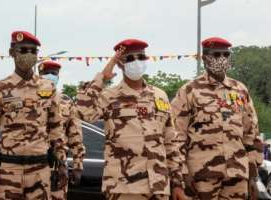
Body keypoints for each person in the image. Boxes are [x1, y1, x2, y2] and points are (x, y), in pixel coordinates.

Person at [76, 39, 186, 200]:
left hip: (159, 185)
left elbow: (170, 142)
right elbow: (82, 112)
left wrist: (177, 183)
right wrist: (102, 78)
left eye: (141, 57)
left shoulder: (159, 95)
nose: (137, 62)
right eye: (129, 58)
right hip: (124, 186)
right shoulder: (109, 96)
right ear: (120, 64)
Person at [0, 31, 68, 200]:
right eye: (23, 50)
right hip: (9, 171)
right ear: (12, 53)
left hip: (40, 170)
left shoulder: (48, 88)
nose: (29, 55)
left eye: (33, 51)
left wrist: (62, 163)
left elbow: (56, 129)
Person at [171, 37, 263, 200]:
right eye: (216, 54)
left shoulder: (240, 90)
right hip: (201, 176)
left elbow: (251, 133)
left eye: (226, 54)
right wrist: (182, 174)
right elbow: (177, 136)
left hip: (237, 174)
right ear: (205, 58)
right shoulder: (189, 91)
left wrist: (253, 173)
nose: (222, 58)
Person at [38, 60, 85, 200]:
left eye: (54, 73)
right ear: (39, 75)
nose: (50, 76)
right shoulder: (30, 98)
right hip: (30, 165)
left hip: (57, 167)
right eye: (46, 73)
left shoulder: (67, 102)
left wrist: (77, 165)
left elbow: (75, 136)